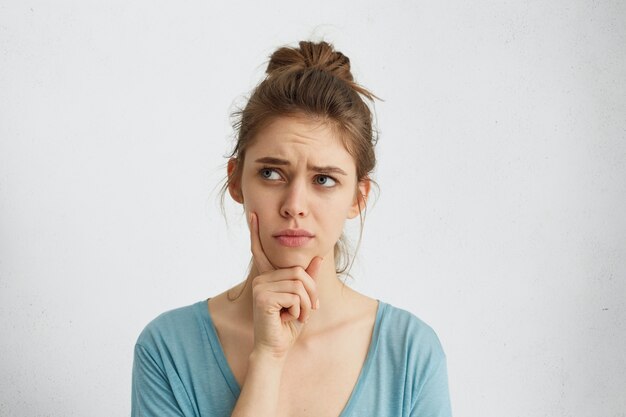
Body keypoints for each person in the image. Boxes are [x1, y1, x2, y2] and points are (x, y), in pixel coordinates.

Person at [131, 40, 452, 417]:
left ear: (357, 197)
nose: (294, 206)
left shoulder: (411, 354)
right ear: (236, 181)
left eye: (324, 180)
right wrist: (267, 358)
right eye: (271, 173)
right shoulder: (168, 348)